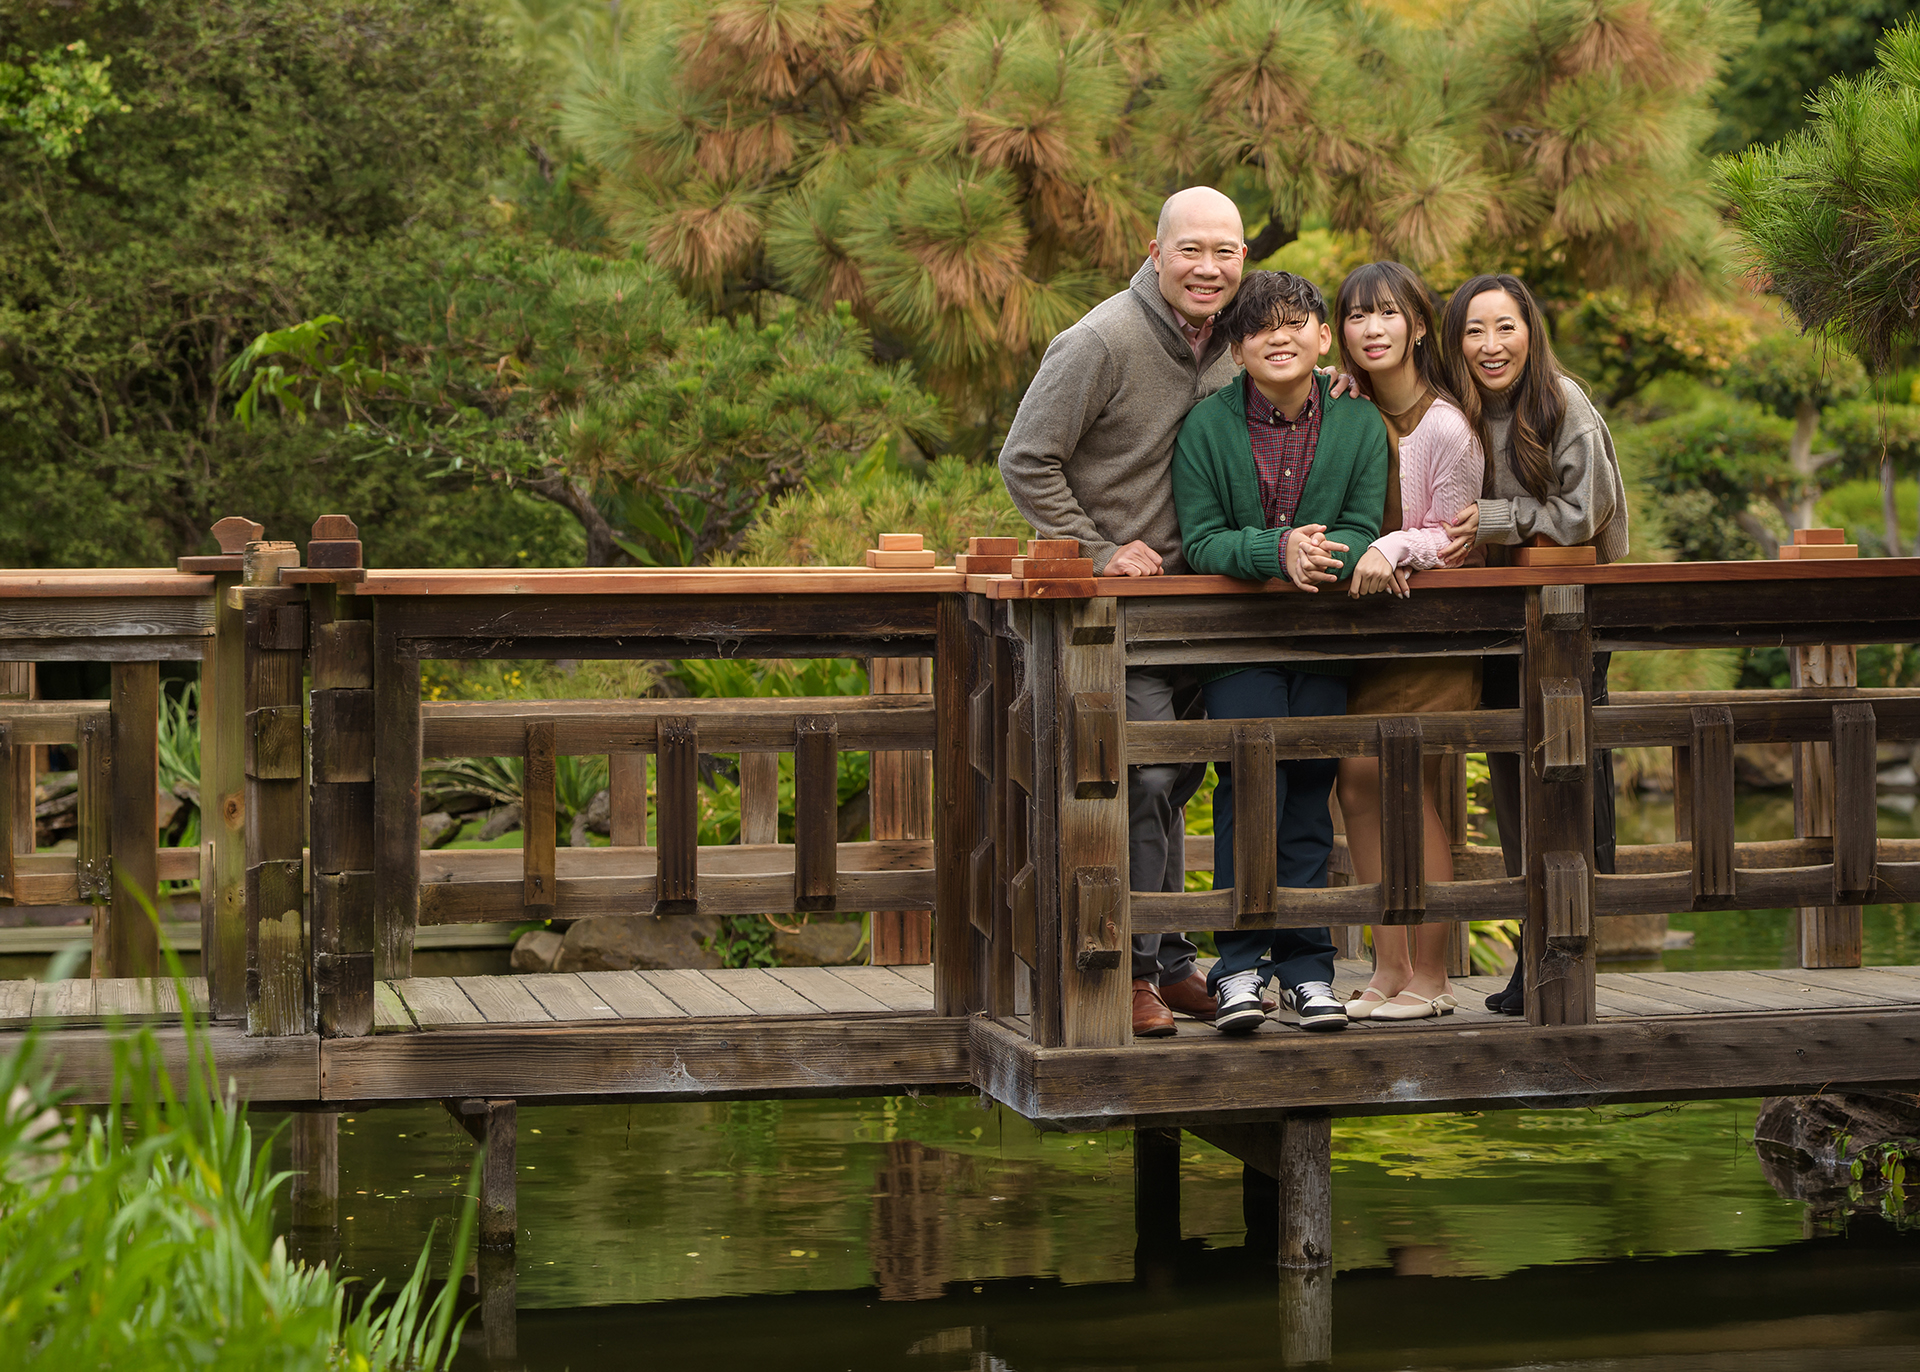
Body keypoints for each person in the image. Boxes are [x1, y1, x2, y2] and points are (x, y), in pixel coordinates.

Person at [998, 186, 1246, 1037]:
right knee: (1141, 779)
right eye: (1192, 250)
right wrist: (1099, 550)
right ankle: (1135, 969)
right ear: (1154, 251)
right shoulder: (1100, 340)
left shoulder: (1235, 341)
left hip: (1203, 611)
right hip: (1116, 622)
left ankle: (1173, 959)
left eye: (1226, 252)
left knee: (1181, 779)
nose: (1209, 268)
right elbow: (1026, 461)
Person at [1171, 269, 1389, 1033]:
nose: (1280, 337)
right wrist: (1274, 550)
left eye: (1297, 323)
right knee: (1246, 789)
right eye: (1261, 328)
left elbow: (1366, 522)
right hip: (1238, 644)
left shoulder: (1359, 425)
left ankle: (1307, 970)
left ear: (1323, 339)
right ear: (1238, 348)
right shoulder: (1206, 426)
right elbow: (1200, 541)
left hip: (1326, 641)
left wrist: (1328, 552)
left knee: (1307, 791)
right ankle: (1237, 968)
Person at [1436, 272, 1628, 1016]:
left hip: (1568, 616)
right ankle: (1532, 946)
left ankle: (1567, 947)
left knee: (1571, 781)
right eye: (1473, 331)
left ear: (1530, 330)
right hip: (1493, 621)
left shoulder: (1560, 400)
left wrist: (1491, 519)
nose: (1490, 345)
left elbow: (1582, 514)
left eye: (1505, 327)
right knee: (1515, 787)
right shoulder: (1456, 406)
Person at [1332, 262, 1484, 1023]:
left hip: (1432, 635)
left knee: (1404, 782)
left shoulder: (1446, 426)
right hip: (1366, 632)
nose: (1372, 329)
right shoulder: (1348, 406)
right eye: (1357, 316)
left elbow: (1452, 538)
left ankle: (1433, 975)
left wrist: (1392, 547)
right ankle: (1385, 969)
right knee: (1355, 782)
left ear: (1419, 326)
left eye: (1387, 314)